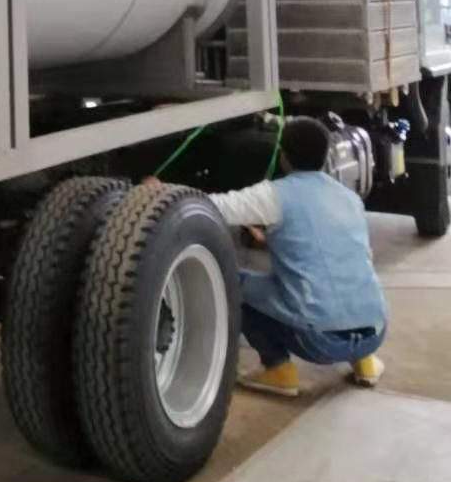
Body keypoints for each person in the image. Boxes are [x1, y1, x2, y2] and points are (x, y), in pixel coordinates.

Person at [151, 116, 388, 398]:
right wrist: (269, 241)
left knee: (233, 283)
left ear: (283, 156)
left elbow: (213, 206)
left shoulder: (276, 195)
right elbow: (332, 248)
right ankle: (365, 362)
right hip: (376, 330)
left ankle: (279, 370)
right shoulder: (349, 198)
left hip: (318, 340)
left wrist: (161, 192)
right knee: (347, 278)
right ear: (326, 155)